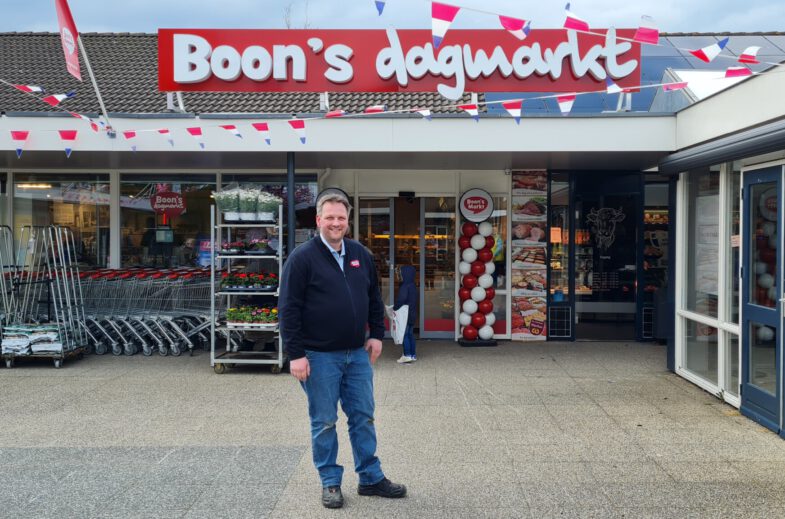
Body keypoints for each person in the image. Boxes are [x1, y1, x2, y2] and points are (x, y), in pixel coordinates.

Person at [279, 192, 407, 509]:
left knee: (363, 417)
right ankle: (330, 482)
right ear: (318, 220)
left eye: (341, 217)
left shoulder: (360, 254)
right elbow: (288, 309)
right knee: (324, 421)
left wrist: (377, 335)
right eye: (330, 217)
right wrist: (295, 354)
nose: (336, 223)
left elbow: (373, 297)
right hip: (318, 356)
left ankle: (370, 478)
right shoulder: (302, 258)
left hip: (357, 354)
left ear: (348, 221)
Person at [394, 265, 418, 363]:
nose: (400, 275)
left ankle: (407, 355)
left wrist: (395, 308)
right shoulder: (413, 285)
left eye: (401, 273)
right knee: (410, 334)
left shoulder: (405, 286)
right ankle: (412, 355)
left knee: (404, 334)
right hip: (412, 313)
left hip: (405, 314)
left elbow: (401, 299)